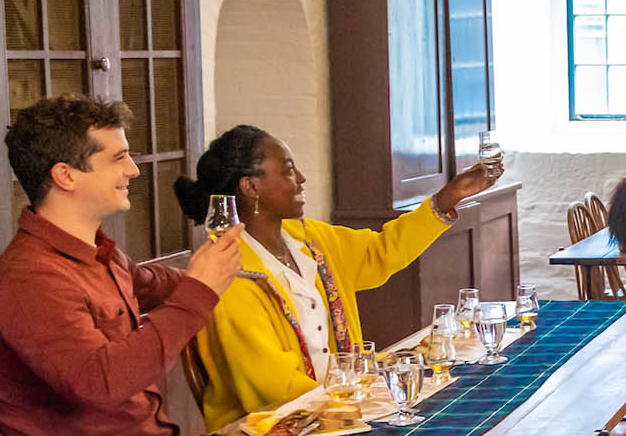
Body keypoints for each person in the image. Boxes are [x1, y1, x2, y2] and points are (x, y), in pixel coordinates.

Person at [175, 125, 501, 428]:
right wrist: (366, 396)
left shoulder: (310, 240)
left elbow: (381, 251)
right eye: (288, 170)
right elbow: (274, 388)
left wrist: (451, 195)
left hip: (340, 409)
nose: (301, 178)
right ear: (251, 186)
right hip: (284, 425)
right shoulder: (229, 272)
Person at [0, 94, 245, 435]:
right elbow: (100, 382)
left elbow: (148, 282)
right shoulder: (27, 277)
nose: (133, 170)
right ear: (66, 176)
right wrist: (199, 290)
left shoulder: (97, 251)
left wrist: (220, 276)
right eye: (118, 158)